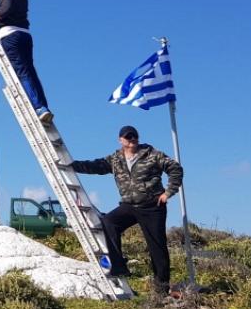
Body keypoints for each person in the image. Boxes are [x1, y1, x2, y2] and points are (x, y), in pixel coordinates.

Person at [69, 126, 184, 296]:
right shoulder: (116, 159)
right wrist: (72, 165)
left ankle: (161, 288)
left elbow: (175, 169)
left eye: (134, 136)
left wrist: (168, 192)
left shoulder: (152, 154)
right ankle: (119, 267)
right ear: (120, 140)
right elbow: (96, 166)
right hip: (129, 205)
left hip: (152, 206)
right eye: (127, 137)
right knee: (109, 222)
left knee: (156, 246)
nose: (131, 139)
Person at [0, 0, 52, 123]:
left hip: (10, 35)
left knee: (22, 73)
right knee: (30, 71)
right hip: (25, 35)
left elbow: (6, 7)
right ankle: (43, 106)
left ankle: (38, 107)